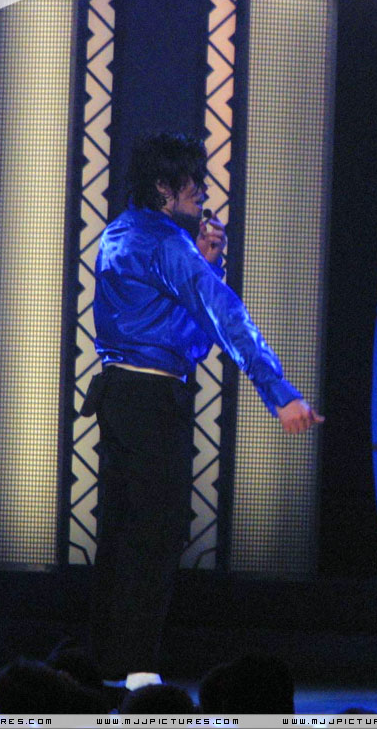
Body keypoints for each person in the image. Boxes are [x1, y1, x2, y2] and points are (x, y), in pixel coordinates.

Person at [85, 131, 323, 689]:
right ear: (165, 189)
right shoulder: (168, 245)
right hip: (150, 404)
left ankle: (108, 666)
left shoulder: (120, 232)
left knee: (122, 534)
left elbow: (184, 334)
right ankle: (138, 672)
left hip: (122, 398)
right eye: (194, 182)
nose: (204, 191)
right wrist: (279, 391)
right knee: (155, 536)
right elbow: (225, 317)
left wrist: (207, 265)